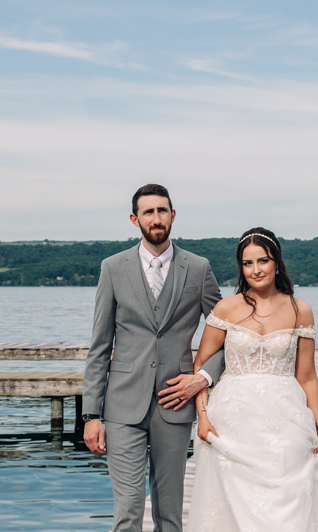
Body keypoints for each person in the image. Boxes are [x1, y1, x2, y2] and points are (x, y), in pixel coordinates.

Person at [82, 184, 226, 532]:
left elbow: (228, 337)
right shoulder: (113, 268)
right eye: (148, 212)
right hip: (121, 406)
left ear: (173, 216)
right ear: (135, 219)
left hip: (175, 404)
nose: (156, 218)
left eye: (162, 211)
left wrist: (202, 378)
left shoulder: (198, 268)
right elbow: (99, 345)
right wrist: (91, 414)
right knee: (128, 511)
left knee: (169, 514)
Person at [186, 228, 318, 532]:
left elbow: (306, 376)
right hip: (232, 418)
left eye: (263, 261)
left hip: (285, 416)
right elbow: (201, 365)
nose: (255, 270)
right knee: (229, 504)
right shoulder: (226, 309)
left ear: (276, 262)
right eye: (247, 263)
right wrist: (202, 417)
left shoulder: (300, 310)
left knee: (288, 498)